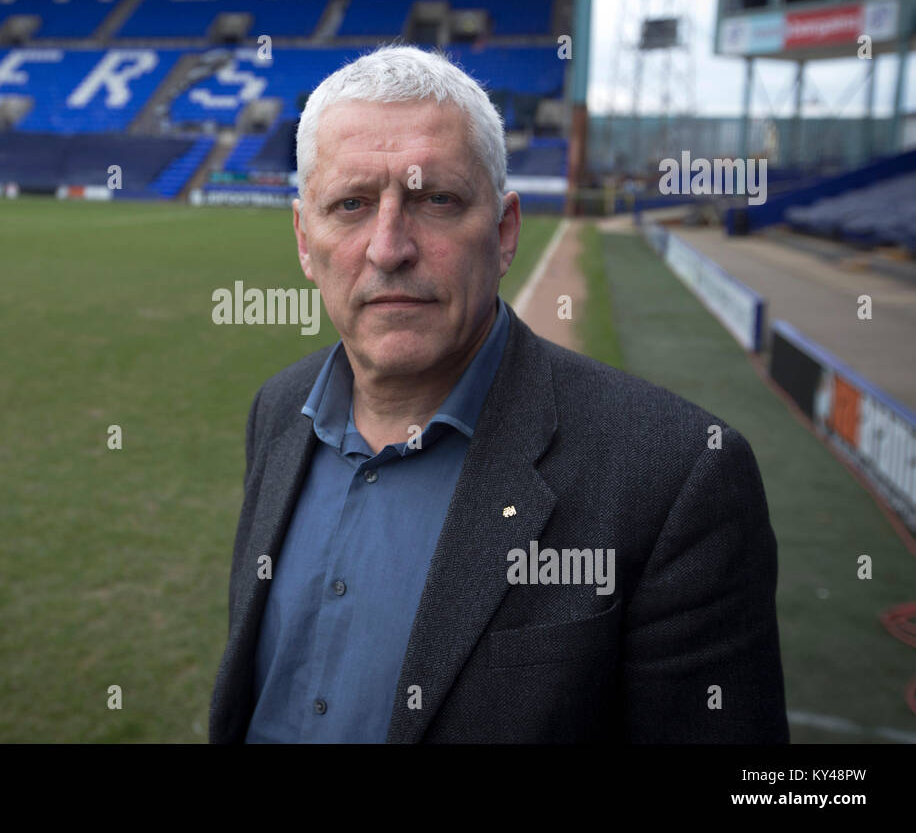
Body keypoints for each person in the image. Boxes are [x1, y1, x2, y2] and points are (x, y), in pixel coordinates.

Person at [208, 45, 789, 743]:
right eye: (352, 204)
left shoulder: (675, 476)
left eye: (436, 201)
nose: (389, 247)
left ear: (505, 231)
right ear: (306, 240)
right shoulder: (277, 409)